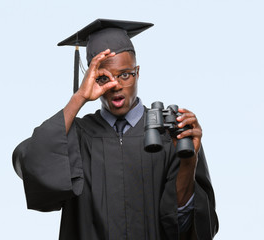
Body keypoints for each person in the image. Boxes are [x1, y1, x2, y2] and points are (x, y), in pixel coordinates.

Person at [12, 19, 218, 240]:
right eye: (104, 78)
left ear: (137, 73)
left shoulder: (169, 134)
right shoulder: (77, 136)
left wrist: (188, 161)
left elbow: (185, 226)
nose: (116, 86)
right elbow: (32, 162)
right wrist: (79, 98)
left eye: (125, 75)